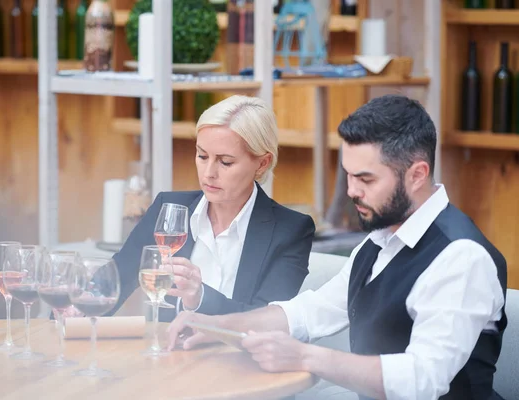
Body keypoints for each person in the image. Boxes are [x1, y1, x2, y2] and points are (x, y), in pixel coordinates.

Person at [166, 94, 508, 400]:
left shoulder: (462, 258)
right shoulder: (379, 242)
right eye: (348, 176)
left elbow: (422, 381)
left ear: (417, 175)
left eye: (366, 179)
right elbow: (308, 312)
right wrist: (221, 326)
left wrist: (304, 357)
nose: (351, 191)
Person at [109, 95, 316, 320]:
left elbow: (268, 322)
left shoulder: (291, 230)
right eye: (202, 156)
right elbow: (114, 281)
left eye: (225, 161)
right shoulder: (168, 209)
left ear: (262, 162)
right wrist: (75, 301)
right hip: (166, 351)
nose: (208, 173)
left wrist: (200, 298)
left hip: (237, 355)